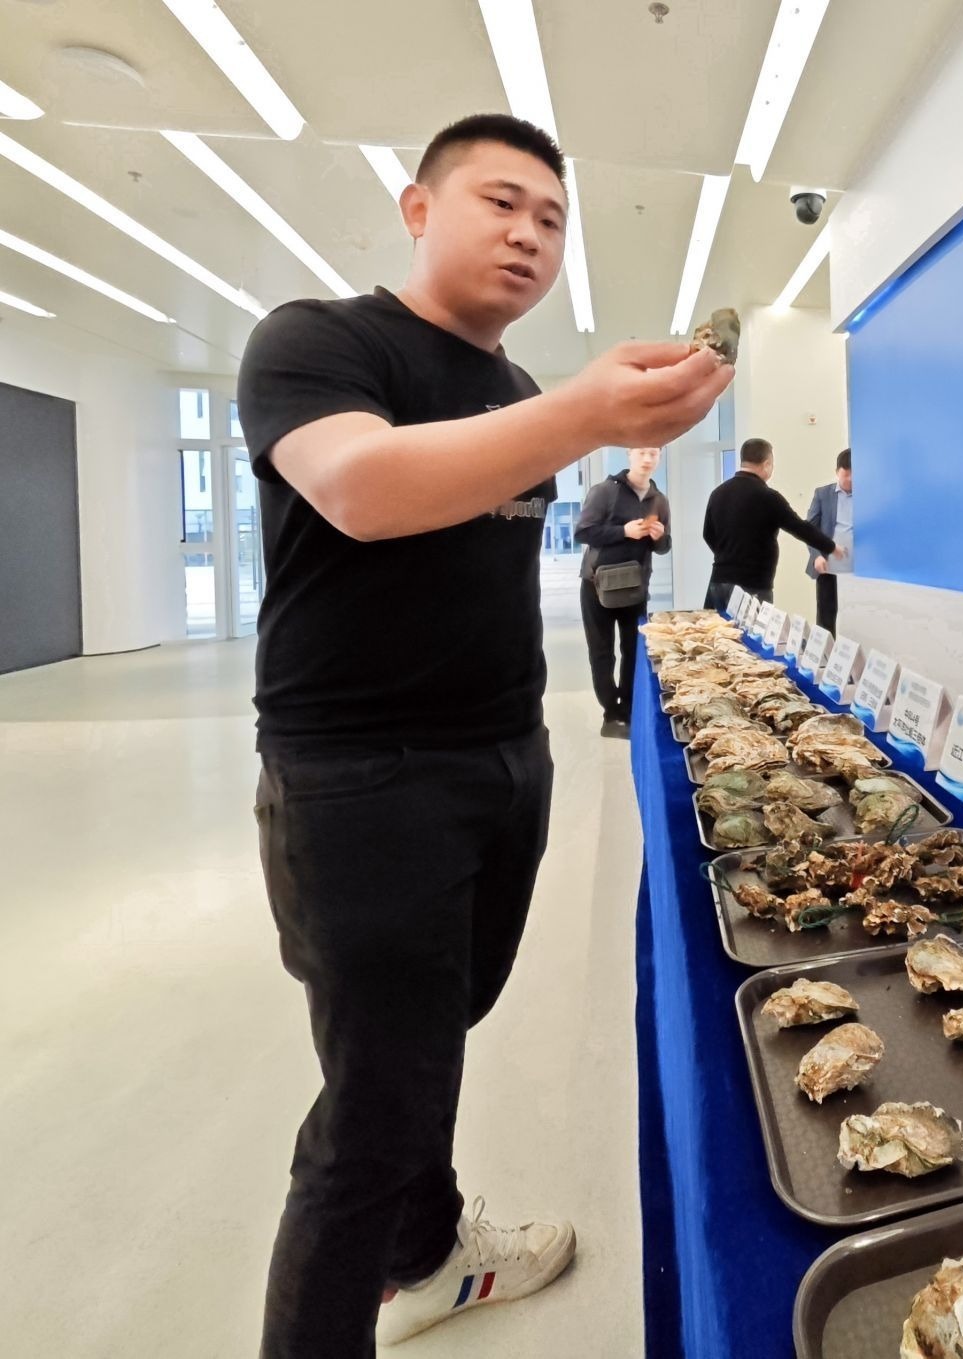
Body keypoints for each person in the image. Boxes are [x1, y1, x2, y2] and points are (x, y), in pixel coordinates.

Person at [236, 112, 732, 1357]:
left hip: (501, 760)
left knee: (426, 1050)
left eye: (551, 220)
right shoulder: (316, 342)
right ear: (418, 208)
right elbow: (362, 490)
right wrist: (586, 413)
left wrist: (577, 414)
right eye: (500, 203)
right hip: (358, 779)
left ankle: (432, 1252)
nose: (528, 234)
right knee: (367, 1118)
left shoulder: (514, 390)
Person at [576, 446, 669, 735]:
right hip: (597, 586)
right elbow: (583, 532)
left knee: (633, 651)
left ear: (659, 457)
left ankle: (628, 709)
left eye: (653, 453)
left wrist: (660, 537)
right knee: (601, 652)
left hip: (635, 587)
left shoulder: (659, 500)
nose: (647, 459)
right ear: (629, 454)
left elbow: (664, 548)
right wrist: (623, 532)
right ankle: (611, 711)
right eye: (642, 452)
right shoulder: (604, 491)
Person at [701, 437, 840, 610]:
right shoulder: (768, 497)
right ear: (767, 464)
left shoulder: (718, 493)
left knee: (715, 633)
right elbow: (800, 528)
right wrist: (832, 547)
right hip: (753, 585)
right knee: (750, 637)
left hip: (719, 580)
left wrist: (728, 554)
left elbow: (707, 534)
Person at [805, 447, 852, 633]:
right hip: (828, 566)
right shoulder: (823, 494)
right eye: (846, 474)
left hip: (858, 569)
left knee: (857, 616)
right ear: (837, 472)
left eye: (854, 474)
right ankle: (825, 658)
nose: (850, 479)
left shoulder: (869, 495)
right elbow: (809, 529)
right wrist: (816, 555)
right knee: (826, 615)